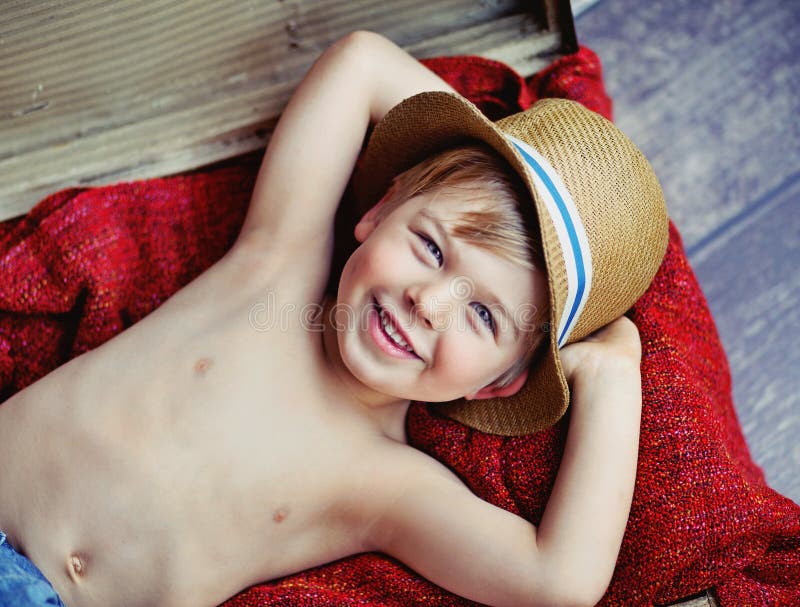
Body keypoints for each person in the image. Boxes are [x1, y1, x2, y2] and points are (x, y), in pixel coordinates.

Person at [0, 31, 667, 607]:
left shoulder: (383, 484)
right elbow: (363, 63)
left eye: (484, 316)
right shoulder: (274, 267)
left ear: (497, 384)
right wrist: (499, 165)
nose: (428, 301)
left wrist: (614, 377)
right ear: (377, 212)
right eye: (430, 246)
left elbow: (560, 582)